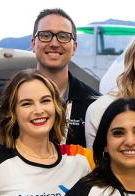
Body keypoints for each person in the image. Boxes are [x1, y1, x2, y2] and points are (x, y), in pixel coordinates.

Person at [31, 8, 101, 146]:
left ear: (74, 47)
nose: (54, 43)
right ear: (33, 44)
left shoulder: (95, 105)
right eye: (45, 35)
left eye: (63, 36)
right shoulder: (6, 99)